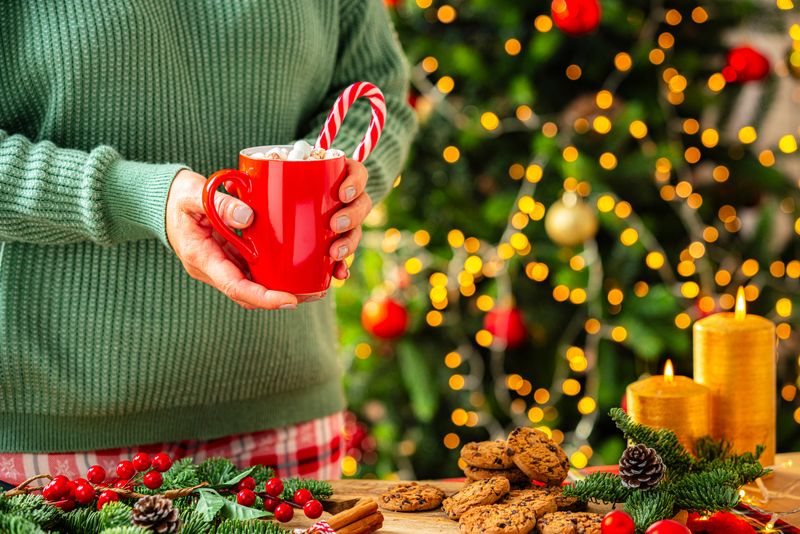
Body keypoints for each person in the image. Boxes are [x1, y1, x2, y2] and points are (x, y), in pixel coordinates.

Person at [0, 0, 416, 483]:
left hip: (285, 415)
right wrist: (134, 195)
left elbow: (377, 84)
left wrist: (330, 183)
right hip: (60, 431)